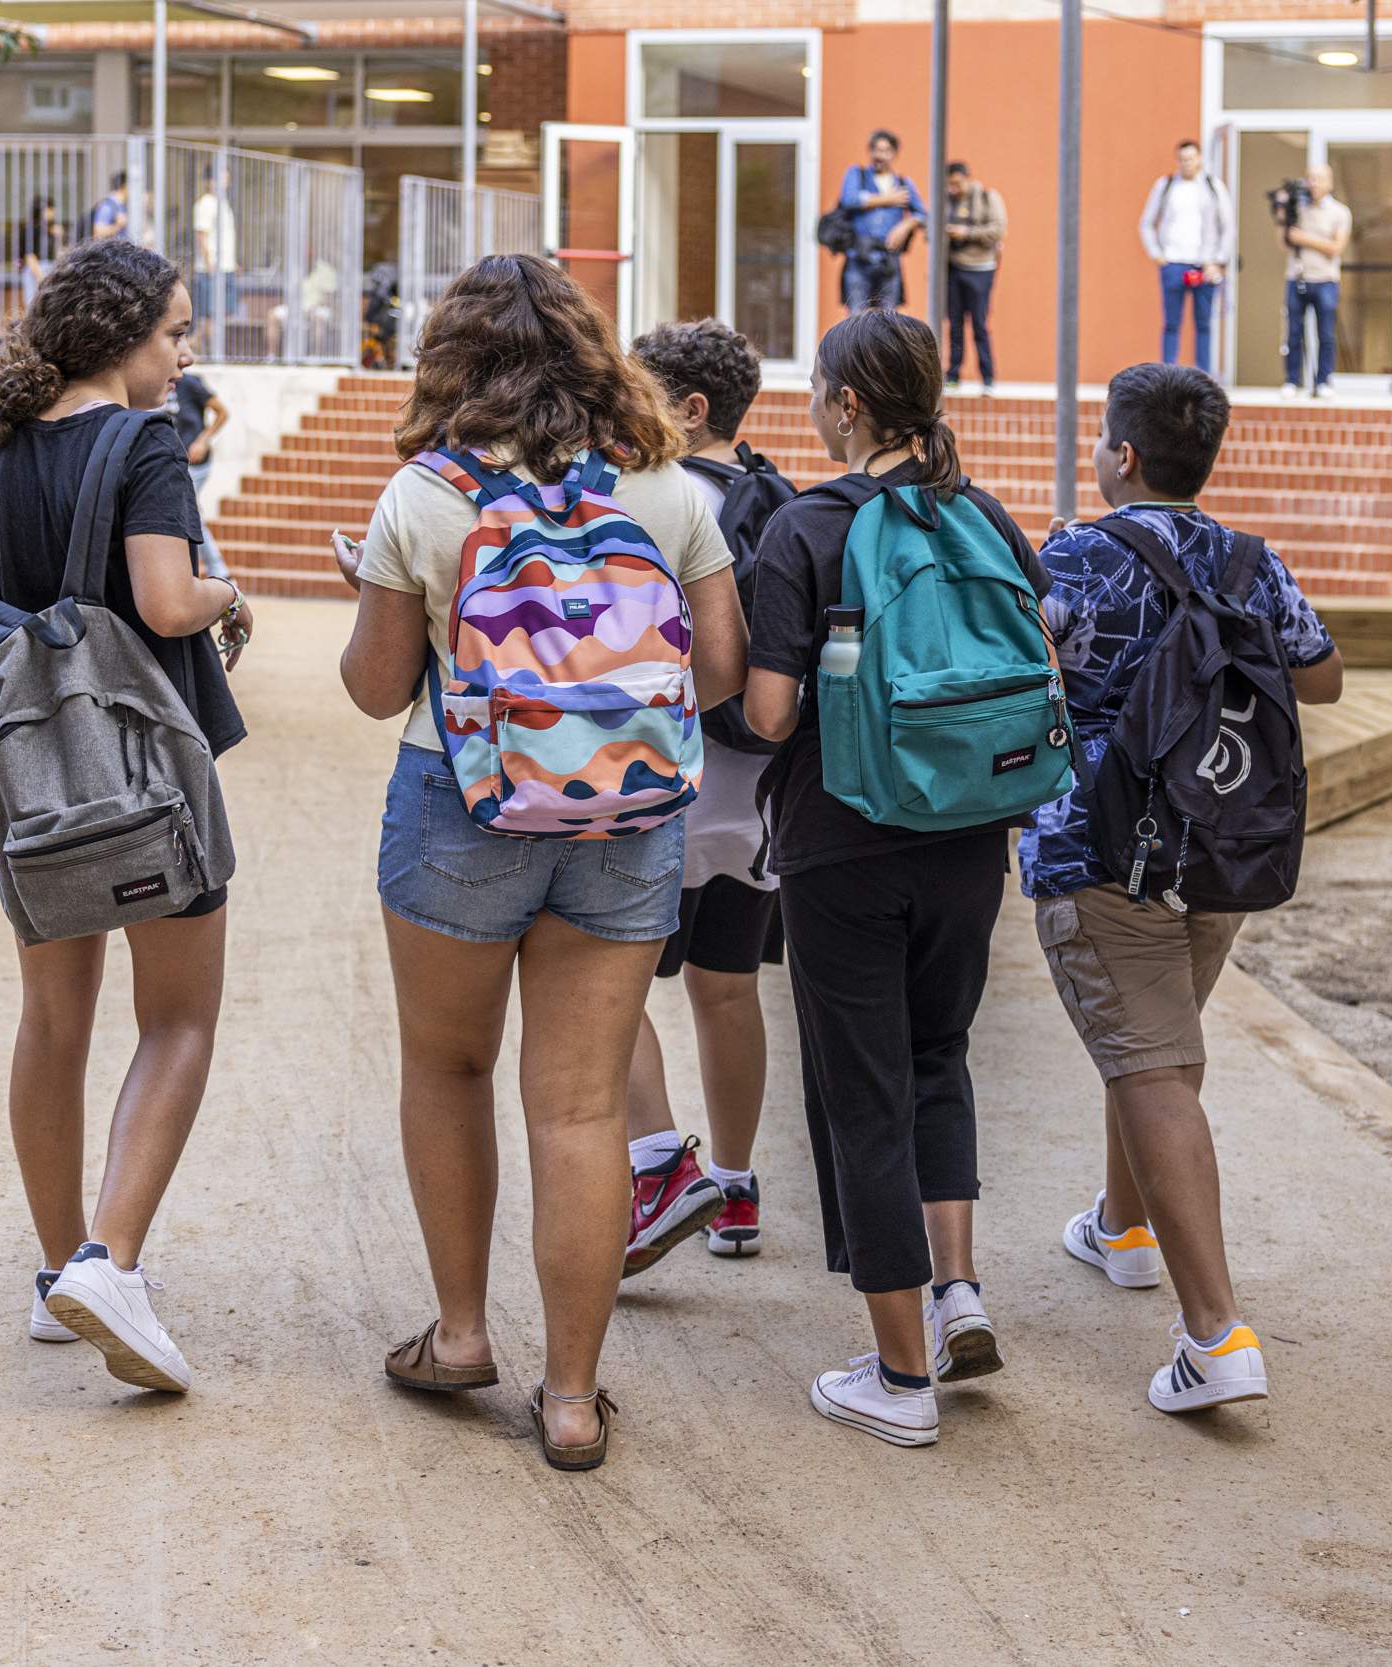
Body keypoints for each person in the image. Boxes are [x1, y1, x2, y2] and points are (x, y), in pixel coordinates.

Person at [336, 254, 746, 1471]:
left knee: (448, 1069)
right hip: (626, 818)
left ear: (452, 356)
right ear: (591, 347)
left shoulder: (423, 495)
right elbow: (719, 669)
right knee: (578, 1104)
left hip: (460, 804)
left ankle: (461, 1334)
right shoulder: (666, 485)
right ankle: (571, 1396)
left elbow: (371, 690)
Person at [0, 236, 250, 1397]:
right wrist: (230, 591)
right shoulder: (145, 441)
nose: (183, 351)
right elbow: (166, 597)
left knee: (51, 1023)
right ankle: (112, 1259)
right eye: (173, 331)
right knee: (177, 1020)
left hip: (38, 784)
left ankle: (59, 1264)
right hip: (148, 779)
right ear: (120, 335)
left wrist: (41, 630)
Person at [740, 308, 1047, 1450]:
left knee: (856, 1092)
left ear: (850, 404)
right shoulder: (984, 512)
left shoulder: (803, 530)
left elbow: (769, 712)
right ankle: (955, 1289)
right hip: (970, 836)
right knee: (935, 1057)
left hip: (842, 839)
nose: (811, 407)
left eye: (817, 389)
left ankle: (899, 1375)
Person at [1024, 362, 1343, 1414]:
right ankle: (1121, 1228)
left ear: (1121, 454)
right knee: (1151, 1046)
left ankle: (1216, 1334)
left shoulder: (1072, 554)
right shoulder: (1249, 559)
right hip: (1221, 846)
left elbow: (1024, 669)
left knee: (1153, 1065)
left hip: (1105, 849)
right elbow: (1322, 673)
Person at [619, 319, 795, 1274]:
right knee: (729, 990)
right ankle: (734, 1184)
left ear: (688, 410)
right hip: (756, 795)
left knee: (601, 990)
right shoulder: (784, 497)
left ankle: (658, 1163)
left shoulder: (654, 494)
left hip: (660, 786)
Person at [1138, 140, 1234, 375]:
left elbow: (1228, 226)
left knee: (1203, 324)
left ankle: (1203, 375)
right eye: (1182, 159)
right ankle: (1167, 373)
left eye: (1191, 158)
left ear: (1199, 159)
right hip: (1173, 263)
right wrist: (1157, 255)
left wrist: (1219, 260)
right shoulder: (1166, 186)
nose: (1186, 163)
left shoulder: (1213, 187)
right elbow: (1147, 222)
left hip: (1204, 263)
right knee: (1171, 323)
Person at [1280, 163, 1351, 399]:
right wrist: (1283, 214)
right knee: (1293, 332)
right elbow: (1284, 242)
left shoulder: (1340, 212)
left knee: (1326, 334)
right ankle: (1293, 380)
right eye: (1310, 179)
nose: (1313, 184)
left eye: (1319, 179)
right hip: (1297, 277)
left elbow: (1336, 248)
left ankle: (1323, 381)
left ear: (1329, 182)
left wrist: (1304, 238)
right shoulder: (1297, 209)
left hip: (1325, 280)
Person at [835, 131, 925, 314]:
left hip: (889, 259)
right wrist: (888, 199)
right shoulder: (857, 174)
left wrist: (905, 225)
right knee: (856, 320)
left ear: (894, 154)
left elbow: (923, 214)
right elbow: (850, 199)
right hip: (858, 258)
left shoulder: (903, 183)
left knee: (888, 320)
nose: (880, 155)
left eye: (885, 151)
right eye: (876, 150)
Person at [942, 162, 1005, 394]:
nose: (953, 188)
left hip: (980, 269)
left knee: (979, 323)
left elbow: (998, 229)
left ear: (968, 178)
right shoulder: (947, 201)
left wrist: (966, 233)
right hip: (953, 268)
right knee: (955, 324)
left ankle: (988, 377)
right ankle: (953, 375)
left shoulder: (988, 197)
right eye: (950, 184)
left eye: (957, 183)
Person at [164, 366, 229, 579]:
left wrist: (203, 440)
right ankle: (213, 569)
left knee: (188, 511)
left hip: (196, 463)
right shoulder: (155, 385)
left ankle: (218, 569)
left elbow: (222, 412)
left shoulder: (190, 383)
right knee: (186, 512)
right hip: (173, 463)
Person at [191, 165, 238, 349]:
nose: (225, 181)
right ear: (209, 181)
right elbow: (201, 235)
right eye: (220, 177)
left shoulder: (224, 203)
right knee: (211, 314)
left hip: (226, 267)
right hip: (210, 269)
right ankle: (213, 352)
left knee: (222, 313)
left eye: (226, 177)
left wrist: (233, 262)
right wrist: (209, 261)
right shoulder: (205, 203)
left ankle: (197, 344)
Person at [18, 197, 63, 307]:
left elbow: (58, 252)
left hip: (50, 269)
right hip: (36, 271)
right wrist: (41, 278)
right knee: (33, 305)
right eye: (50, 209)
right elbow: (30, 256)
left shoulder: (53, 230)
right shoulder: (30, 229)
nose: (53, 212)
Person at [90, 171, 131, 243]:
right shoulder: (107, 206)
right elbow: (98, 233)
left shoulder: (121, 205)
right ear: (124, 187)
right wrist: (118, 225)